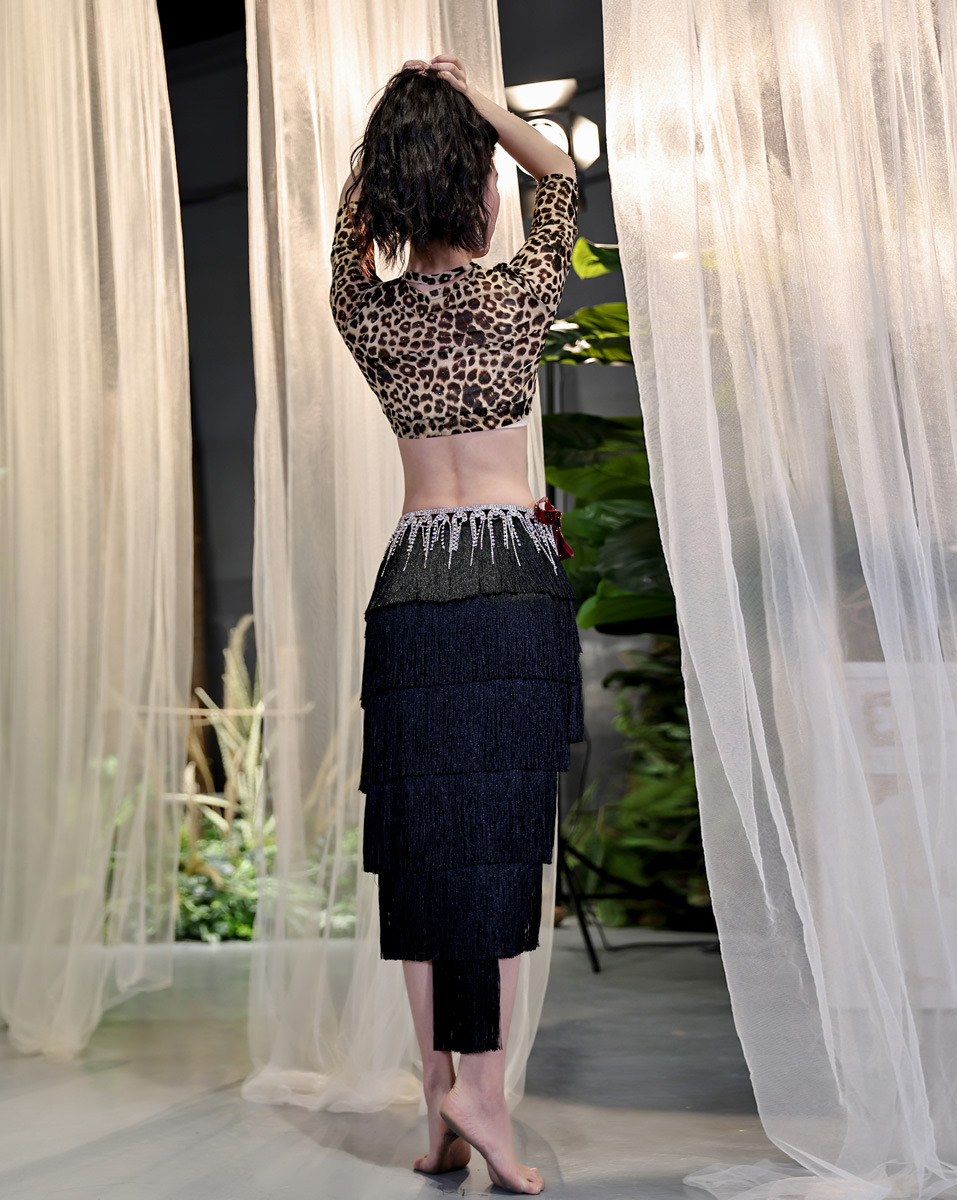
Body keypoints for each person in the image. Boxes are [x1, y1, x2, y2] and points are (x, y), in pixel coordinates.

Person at [329, 54, 582, 1195]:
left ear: (393, 185)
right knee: (497, 850)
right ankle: (480, 1092)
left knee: (425, 854)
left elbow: (350, 239)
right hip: (509, 574)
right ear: (477, 184)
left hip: (414, 583)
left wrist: (396, 136)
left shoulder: (368, 312)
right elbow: (560, 174)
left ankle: (440, 1102)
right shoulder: (518, 295)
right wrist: (479, 103)